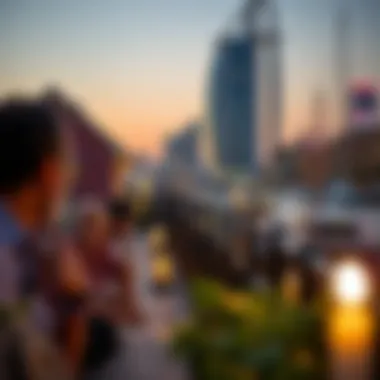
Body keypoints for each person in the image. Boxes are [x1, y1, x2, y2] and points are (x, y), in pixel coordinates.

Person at [0, 98, 76, 379]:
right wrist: (74, 306)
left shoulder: (26, 248)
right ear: (48, 171)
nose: (69, 179)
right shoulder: (7, 262)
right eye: (67, 166)